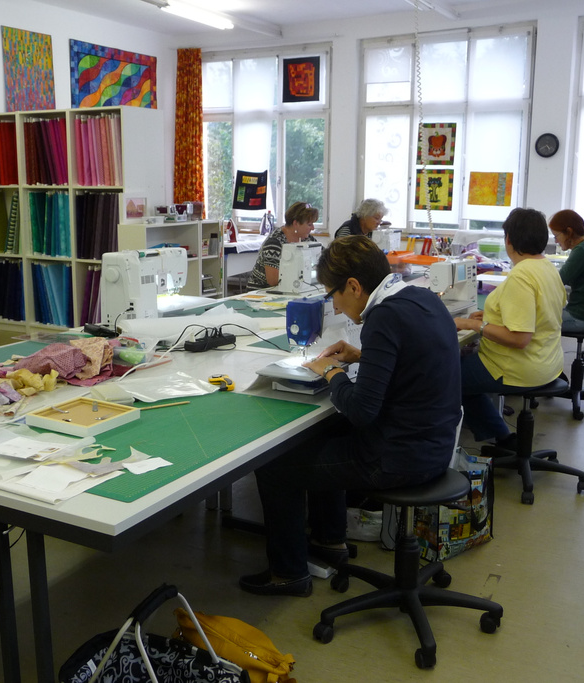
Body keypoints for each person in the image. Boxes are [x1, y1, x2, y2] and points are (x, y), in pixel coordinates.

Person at [239, 236, 463, 596]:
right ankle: (330, 541)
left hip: (399, 458)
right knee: (327, 434)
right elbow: (411, 361)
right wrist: (363, 357)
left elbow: (360, 411)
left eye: (333, 295)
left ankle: (288, 573)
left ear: (355, 287)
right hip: (436, 444)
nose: (336, 306)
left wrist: (330, 371)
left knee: (274, 466)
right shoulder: (421, 298)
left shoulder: (383, 317)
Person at [453, 208, 566, 448]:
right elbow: (541, 312)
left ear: (509, 240)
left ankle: (488, 439)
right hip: (548, 363)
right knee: (462, 375)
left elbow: (519, 339)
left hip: (518, 367)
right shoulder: (547, 268)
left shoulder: (521, 276)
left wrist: (473, 324)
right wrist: (495, 315)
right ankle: (502, 438)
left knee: (445, 375)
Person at [245, 201, 320, 290]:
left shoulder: (307, 239)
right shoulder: (274, 243)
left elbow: (324, 259)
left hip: (291, 288)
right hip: (262, 291)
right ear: (296, 224)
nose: (313, 228)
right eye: (309, 224)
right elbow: (273, 281)